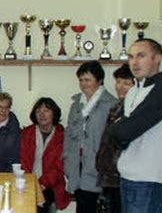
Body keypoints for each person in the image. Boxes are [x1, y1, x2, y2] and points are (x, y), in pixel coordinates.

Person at [109, 39, 162, 213]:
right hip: (129, 174)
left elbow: (125, 131)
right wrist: (119, 128)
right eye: (131, 57)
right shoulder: (134, 90)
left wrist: (117, 128)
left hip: (150, 178)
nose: (134, 62)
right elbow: (120, 130)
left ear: (157, 58)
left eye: (141, 56)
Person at [63, 61, 118, 213]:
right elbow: (69, 134)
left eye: (88, 80)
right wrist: (66, 158)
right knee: (82, 205)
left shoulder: (111, 104)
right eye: (81, 80)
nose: (83, 84)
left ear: (99, 80)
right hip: (76, 164)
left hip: (98, 166)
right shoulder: (76, 104)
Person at [20, 97, 71, 212]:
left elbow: (59, 167)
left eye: (46, 110)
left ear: (54, 113)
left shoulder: (62, 136)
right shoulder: (26, 133)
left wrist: (41, 184)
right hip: (28, 181)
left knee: (42, 205)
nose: (42, 114)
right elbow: (22, 160)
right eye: (38, 111)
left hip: (51, 185)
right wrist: (31, 182)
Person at [95, 63, 134, 213]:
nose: (120, 87)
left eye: (126, 83)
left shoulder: (136, 111)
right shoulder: (116, 108)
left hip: (123, 178)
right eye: (118, 81)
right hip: (108, 177)